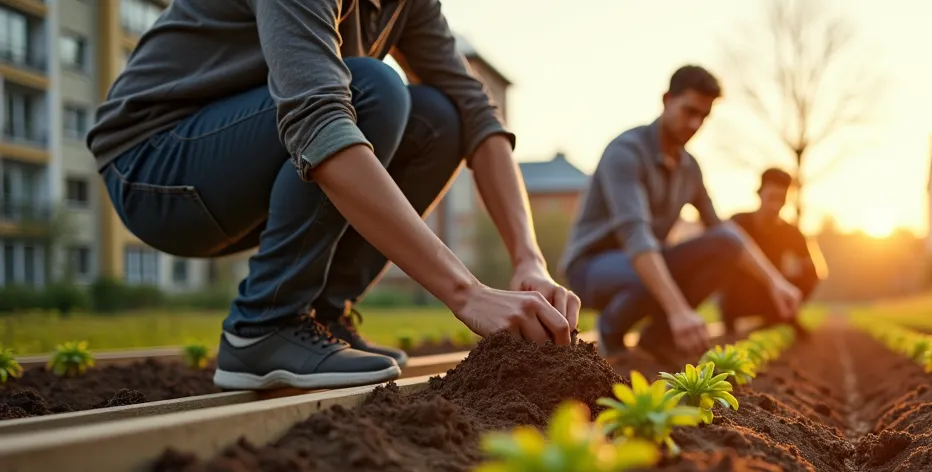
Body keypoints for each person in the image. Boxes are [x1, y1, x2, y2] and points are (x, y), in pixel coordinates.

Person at [86, 0, 579, 391]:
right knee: (373, 88)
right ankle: (264, 324)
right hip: (153, 166)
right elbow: (318, 120)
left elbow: (477, 116)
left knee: (441, 119)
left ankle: (320, 317)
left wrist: (528, 260)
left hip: (245, 162)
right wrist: (467, 293)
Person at [558, 65, 802, 361]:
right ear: (667, 100)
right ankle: (611, 331)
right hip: (592, 266)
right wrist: (679, 310)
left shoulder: (690, 168)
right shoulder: (625, 153)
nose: (695, 123)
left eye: (704, 116)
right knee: (646, 271)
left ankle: (657, 337)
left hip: (646, 259)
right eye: (689, 111)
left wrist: (775, 281)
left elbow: (724, 232)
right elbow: (636, 237)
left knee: (724, 246)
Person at [717, 168, 827, 334]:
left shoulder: (790, 232)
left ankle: (780, 316)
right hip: (738, 295)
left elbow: (817, 270)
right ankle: (730, 318)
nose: (776, 206)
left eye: (781, 200)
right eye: (772, 198)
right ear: (759, 194)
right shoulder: (738, 223)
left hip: (772, 296)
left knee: (811, 273)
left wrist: (795, 278)